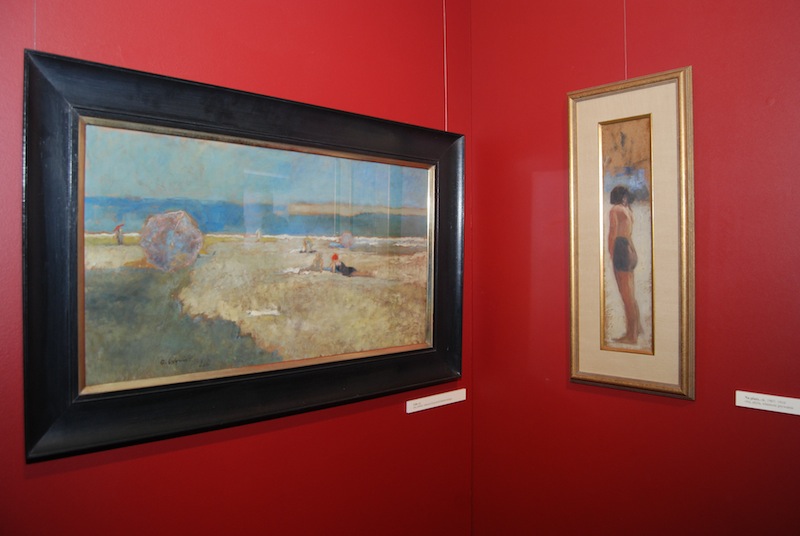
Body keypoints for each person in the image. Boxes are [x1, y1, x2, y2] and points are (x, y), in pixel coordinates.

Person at [608, 185, 642, 344]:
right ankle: (637, 329)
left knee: (626, 296)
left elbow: (613, 233)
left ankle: (631, 335)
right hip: (630, 248)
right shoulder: (629, 210)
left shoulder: (615, 210)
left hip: (621, 249)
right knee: (631, 294)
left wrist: (611, 253)